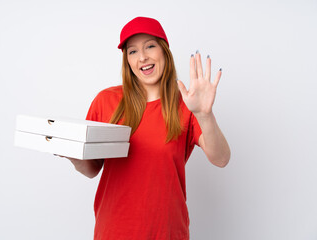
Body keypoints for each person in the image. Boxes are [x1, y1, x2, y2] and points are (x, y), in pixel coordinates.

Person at [57, 16, 230, 240]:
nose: (143, 57)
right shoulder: (106, 101)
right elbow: (92, 169)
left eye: (150, 46)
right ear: (127, 60)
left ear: (164, 51)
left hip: (167, 232)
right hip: (113, 231)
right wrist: (72, 155)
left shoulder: (187, 104)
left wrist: (204, 115)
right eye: (133, 51)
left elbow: (221, 158)